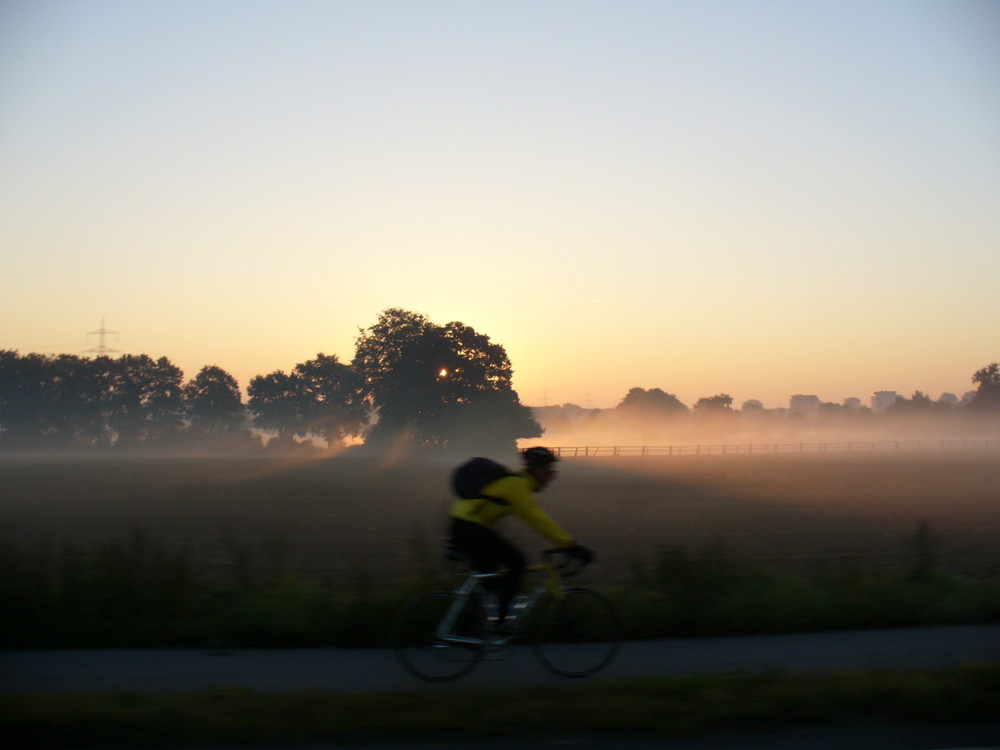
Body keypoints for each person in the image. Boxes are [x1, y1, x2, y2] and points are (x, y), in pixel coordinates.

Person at [448, 446, 593, 628]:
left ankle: (473, 629)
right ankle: (501, 622)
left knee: (490, 580)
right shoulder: (517, 486)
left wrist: (569, 544)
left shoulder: (518, 484)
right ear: (535, 469)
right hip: (469, 526)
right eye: (547, 469)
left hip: (467, 526)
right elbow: (537, 518)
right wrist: (571, 545)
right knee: (517, 563)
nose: (552, 474)